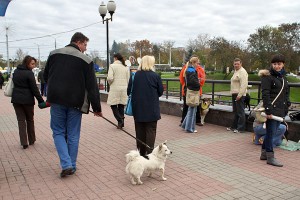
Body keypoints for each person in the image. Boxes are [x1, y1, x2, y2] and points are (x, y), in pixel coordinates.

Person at [44, 32, 102, 177]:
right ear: (78, 42)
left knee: (58, 132)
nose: (86, 49)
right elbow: (92, 87)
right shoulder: (86, 60)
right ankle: (72, 165)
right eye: (85, 45)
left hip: (56, 99)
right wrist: (97, 108)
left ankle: (66, 164)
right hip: (76, 102)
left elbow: (45, 76)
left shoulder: (53, 54)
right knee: (73, 134)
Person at [127, 55, 163, 158]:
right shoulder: (155, 76)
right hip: (151, 108)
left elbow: (128, 91)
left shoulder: (134, 75)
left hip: (138, 108)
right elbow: (160, 92)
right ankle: (150, 153)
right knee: (151, 130)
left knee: (139, 131)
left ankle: (140, 153)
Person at [258, 54, 290, 167]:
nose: (277, 66)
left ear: (283, 64)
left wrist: (287, 105)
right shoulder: (267, 77)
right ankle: (270, 157)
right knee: (271, 133)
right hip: (272, 109)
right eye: (275, 64)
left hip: (281, 109)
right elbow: (265, 94)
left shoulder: (283, 77)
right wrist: (268, 110)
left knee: (271, 132)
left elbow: (286, 93)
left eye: (279, 64)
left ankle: (263, 153)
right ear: (272, 64)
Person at [11, 56, 45, 149]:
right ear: (27, 63)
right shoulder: (29, 74)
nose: (33, 66)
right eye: (32, 64)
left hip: (16, 99)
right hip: (27, 100)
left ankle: (24, 142)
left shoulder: (16, 72)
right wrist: (41, 101)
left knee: (21, 121)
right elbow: (34, 89)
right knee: (30, 120)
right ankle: (31, 139)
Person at [179, 56, 206, 126]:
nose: (198, 64)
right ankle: (186, 123)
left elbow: (203, 79)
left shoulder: (188, 68)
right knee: (188, 107)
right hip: (191, 90)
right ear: (194, 62)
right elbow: (181, 79)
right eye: (198, 63)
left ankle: (195, 121)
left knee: (194, 106)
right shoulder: (189, 69)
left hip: (192, 90)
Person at [107, 53, 130, 129]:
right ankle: (121, 123)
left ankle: (120, 120)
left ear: (116, 58)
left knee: (113, 105)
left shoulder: (112, 66)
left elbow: (110, 78)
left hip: (115, 88)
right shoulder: (126, 67)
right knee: (121, 105)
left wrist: (111, 84)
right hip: (124, 88)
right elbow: (128, 79)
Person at [227, 58, 248, 133]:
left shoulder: (242, 72)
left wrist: (240, 95)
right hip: (234, 93)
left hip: (239, 94)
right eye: (235, 64)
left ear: (241, 64)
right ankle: (234, 126)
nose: (236, 65)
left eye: (238, 64)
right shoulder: (236, 71)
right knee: (235, 111)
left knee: (240, 111)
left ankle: (241, 128)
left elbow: (244, 84)